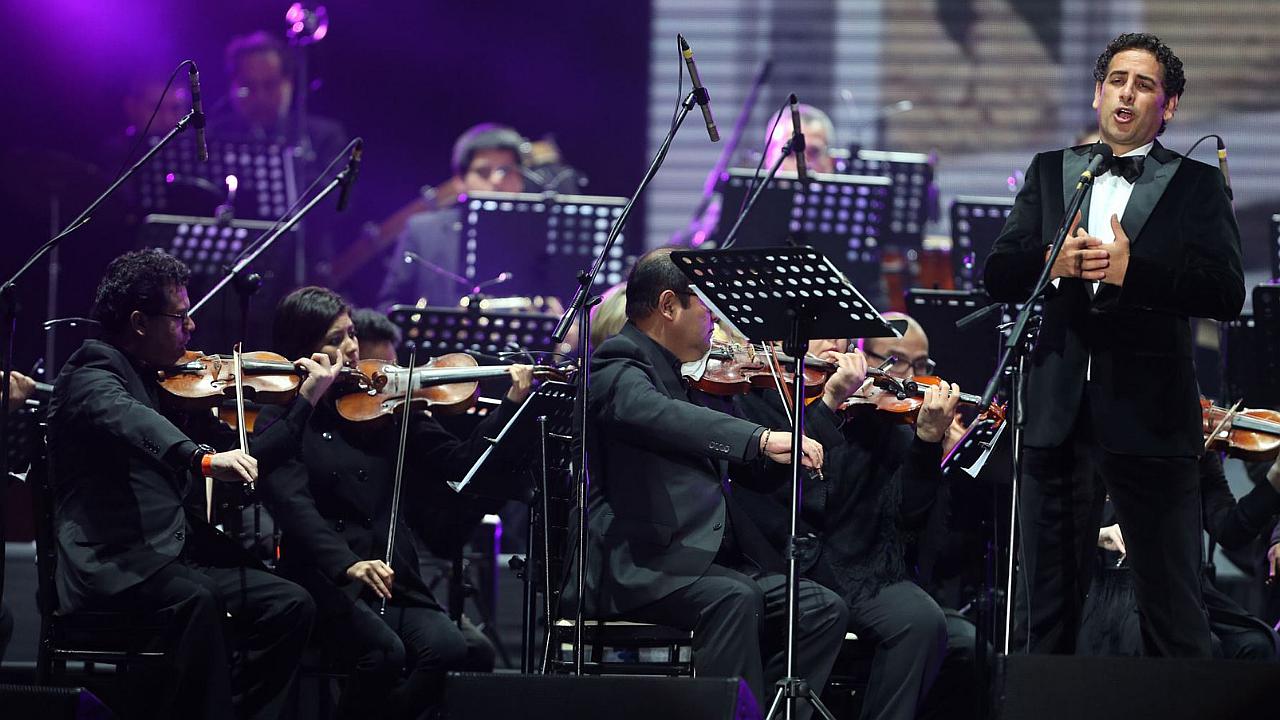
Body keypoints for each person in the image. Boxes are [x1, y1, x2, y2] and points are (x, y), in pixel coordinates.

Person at [982, 32, 1244, 657]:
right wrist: (1054, 262)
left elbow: (1226, 293)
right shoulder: (1051, 172)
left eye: (1145, 84)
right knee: (1042, 612)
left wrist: (1136, 273)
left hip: (1152, 419)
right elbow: (998, 273)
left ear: (1169, 106)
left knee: (1173, 612)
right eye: (1118, 81)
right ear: (1098, 92)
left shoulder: (1196, 185)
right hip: (1054, 415)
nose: (1127, 94)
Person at [45, 249, 337, 720]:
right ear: (140, 322)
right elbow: (131, 419)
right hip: (115, 562)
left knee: (290, 603)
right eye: (181, 316)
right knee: (197, 602)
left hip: (170, 552)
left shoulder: (167, 382)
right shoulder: (91, 375)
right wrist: (201, 458)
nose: (192, 327)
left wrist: (305, 401)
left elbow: (254, 456)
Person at [564, 247, 847, 715]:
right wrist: (759, 438)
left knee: (819, 607)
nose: (715, 321)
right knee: (735, 598)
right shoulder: (618, 363)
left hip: (695, 557)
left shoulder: (682, 375)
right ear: (669, 305)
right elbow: (655, 413)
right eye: (707, 306)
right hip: (638, 561)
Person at [258, 286, 534, 718]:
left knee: (448, 648)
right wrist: (346, 563)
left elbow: (460, 462)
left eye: (350, 335)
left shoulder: (387, 409)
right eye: (335, 340)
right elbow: (293, 507)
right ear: (303, 348)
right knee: (383, 653)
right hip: (327, 579)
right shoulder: (286, 419)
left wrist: (512, 405)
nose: (351, 348)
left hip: (393, 579)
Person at [731, 335, 960, 720]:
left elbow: (908, 513)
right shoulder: (755, 391)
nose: (837, 341)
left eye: (845, 333)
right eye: (826, 330)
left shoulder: (874, 406)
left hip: (854, 565)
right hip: (778, 559)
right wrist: (828, 404)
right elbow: (777, 488)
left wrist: (926, 441)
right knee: (819, 611)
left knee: (919, 621)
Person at [1080, 449, 1280, 660]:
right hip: (1115, 587)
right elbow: (1060, 524)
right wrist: (1099, 534)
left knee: (1258, 644)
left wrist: (1274, 479)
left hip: (1184, 586)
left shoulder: (1194, 447)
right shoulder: (1105, 436)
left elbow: (1229, 530)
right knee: (1199, 650)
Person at [379, 123, 527, 308]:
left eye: (506, 171)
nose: (497, 181)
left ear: (521, 180)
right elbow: (390, 307)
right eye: (483, 172)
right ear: (459, 182)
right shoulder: (422, 230)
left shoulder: (539, 234)